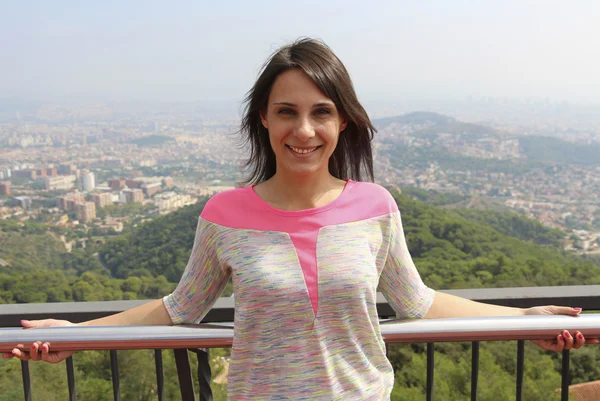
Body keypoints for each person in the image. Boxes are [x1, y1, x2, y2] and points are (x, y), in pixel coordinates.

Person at [3, 38, 597, 400]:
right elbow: (178, 308)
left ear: (343, 123)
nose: (304, 130)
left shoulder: (376, 206)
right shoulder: (225, 213)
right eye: (286, 112)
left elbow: (419, 302)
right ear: (264, 119)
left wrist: (519, 320)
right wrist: (76, 336)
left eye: (321, 113)